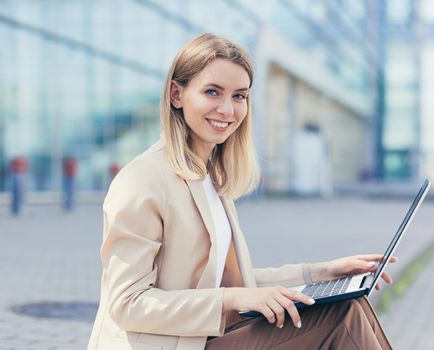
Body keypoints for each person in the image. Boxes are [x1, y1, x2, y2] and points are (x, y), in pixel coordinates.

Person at [87, 33, 396, 350]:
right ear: (177, 94)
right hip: (169, 344)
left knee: (351, 305)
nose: (227, 109)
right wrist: (232, 298)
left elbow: (234, 284)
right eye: (212, 92)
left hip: (204, 338)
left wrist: (323, 272)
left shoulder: (209, 177)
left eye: (239, 96)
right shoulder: (143, 179)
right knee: (341, 318)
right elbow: (127, 304)